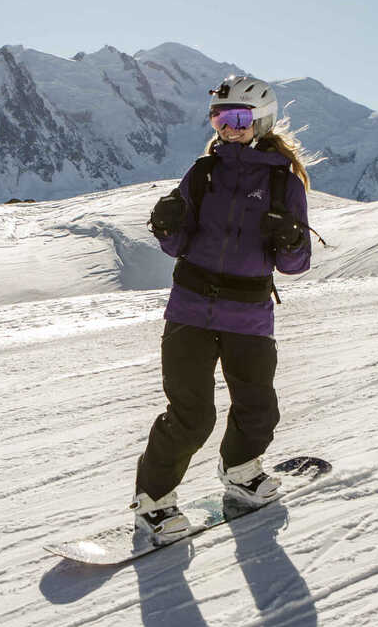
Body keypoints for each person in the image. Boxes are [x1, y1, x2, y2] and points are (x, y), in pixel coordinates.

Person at [131, 75, 313, 542]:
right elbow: (178, 245)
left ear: (261, 122)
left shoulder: (283, 183)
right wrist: (167, 228)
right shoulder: (203, 172)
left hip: (249, 313)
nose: (227, 129)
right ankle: (154, 503)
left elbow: (296, 265)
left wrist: (289, 238)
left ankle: (241, 472)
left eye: (238, 119)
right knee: (191, 414)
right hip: (189, 309)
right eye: (219, 118)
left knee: (257, 408)